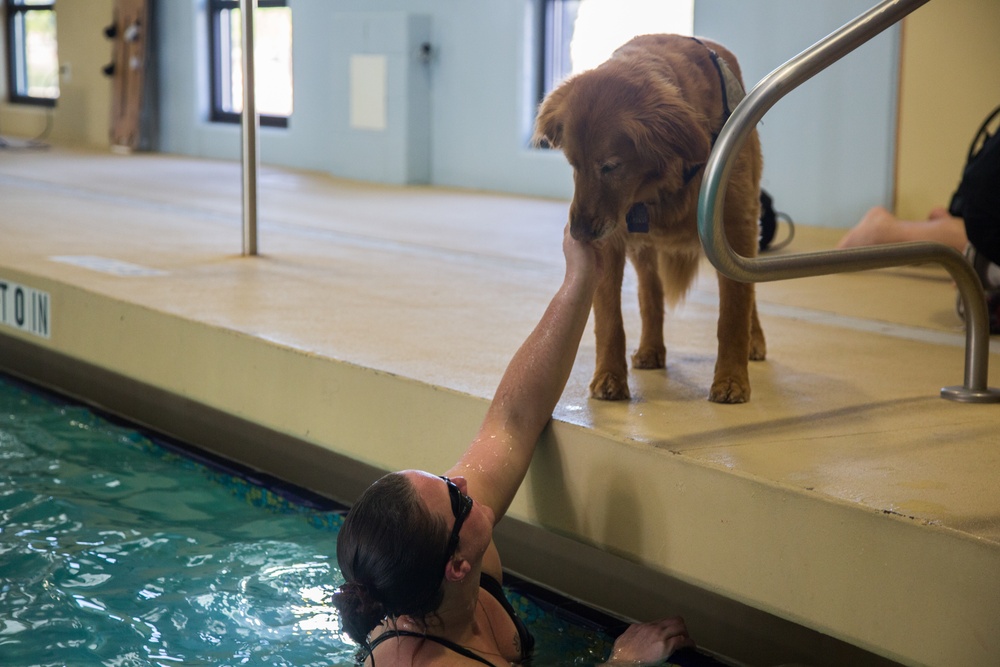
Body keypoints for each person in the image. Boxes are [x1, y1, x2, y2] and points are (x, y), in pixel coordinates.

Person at [332, 226, 695, 666]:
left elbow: (512, 420)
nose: (463, 480)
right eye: (455, 499)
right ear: (458, 566)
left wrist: (581, 277)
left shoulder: (447, 566)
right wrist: (622, 661)